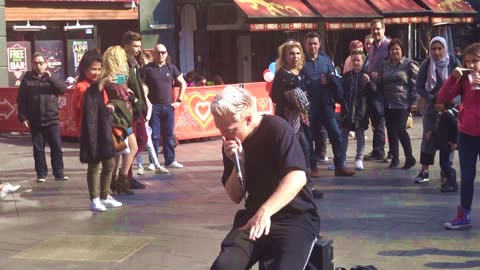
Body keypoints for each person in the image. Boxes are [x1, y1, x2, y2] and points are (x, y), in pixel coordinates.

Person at [209, 86, 320, 270]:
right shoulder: (230, 144)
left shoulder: (277, 128)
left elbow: (297, 176)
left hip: (294, 217)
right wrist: (239, 164)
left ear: (248, 119)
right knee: (224, 265)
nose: (224, 136)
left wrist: (266, 211)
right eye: (220, 130)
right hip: (253, 217)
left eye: (229, 130)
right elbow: (235, 196)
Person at [269, 40, 323, 198]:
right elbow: (275, 96)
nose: (295, 56)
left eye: (298, 53)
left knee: (306, 150)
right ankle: (297, 186)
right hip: (288, 121)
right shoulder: (282, 74)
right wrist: (290, 98)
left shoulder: (300, 73)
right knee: (297, 151)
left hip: (303, 120)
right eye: (291, 53)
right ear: (285, 56)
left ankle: (305, 186)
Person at [301, 31, 355, 176]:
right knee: (309, 139)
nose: (312, 46)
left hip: (326, 105)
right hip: (309, 108)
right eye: (310, 43)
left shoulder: (326, 60)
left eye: (315, 43)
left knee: (336, 135)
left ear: (319, 45)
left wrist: (330, 81)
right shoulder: (300, 62)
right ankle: (312, 168)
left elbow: (336, 79)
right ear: (305, 45)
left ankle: (340, 166)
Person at [76, 49, 123, 211]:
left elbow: (100, 104)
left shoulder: (98, 86)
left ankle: (105, 195)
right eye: (93, 69)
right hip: (90, 131)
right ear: (84, 70)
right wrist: (101, 84)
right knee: (94, 165)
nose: (96, 72)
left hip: (104, 128)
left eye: (98, 69)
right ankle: (94, 199)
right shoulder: (81, 86)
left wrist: (108, 107)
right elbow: (88, 106)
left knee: (109, 163)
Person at [440, 43, 480, 230]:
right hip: (466, 134)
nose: (472, 65)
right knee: (466, 176)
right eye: (468, 61)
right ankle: (464, 215)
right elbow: (442, 97)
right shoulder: (464, 80)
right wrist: (453, 78)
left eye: (476, 61)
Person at [414, 36, 460, 183]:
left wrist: (451, 99)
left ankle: (446, 170)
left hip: (450, 110)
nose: (437, 52)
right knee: (428, 139)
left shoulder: (453, 62)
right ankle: (424, 171)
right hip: (431, 110)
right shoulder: (426, 64)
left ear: (445, 48)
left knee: (449, 139)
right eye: (433, 49)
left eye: (440, 48)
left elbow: (461, 82)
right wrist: (433, 98)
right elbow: (419, 87)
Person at [17, 52, 68, 182]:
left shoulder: (51, 77)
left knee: (56, 147)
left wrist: (50, 78)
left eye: (40, 63)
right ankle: (41, 174)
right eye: (35, 63)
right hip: (35, 119)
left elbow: (63, 89)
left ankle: (59, 173)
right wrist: (23, 117)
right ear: (32, 64)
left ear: (45, 64)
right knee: (38, 149)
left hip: (52, 119)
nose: (38, 65)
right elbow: (21, 99)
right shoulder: (27, 78)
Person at [100, 46, 138, 195]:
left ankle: (117, 180)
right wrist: (128, 94)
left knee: (124, 149)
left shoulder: (109, 76)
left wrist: (126, 89)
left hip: (121, 118)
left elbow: (122, 88)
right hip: (119, 118)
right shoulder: (115, 77)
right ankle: (117, 181)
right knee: (123, 150)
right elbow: (121, 94)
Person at [376, 39, 418, 169]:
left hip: (402, 103)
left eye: (397, 49)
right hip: (388, 102)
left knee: (401, 129)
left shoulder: (409, 64)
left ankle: (409, 157)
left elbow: (415, 84)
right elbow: (381, 81)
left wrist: (413, 102)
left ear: (401, 50)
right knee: (391, 131)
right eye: (392, 49)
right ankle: (395, 157)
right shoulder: (385, 64)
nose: (394, 51)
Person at [142, 43, 186, 168]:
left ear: (166, 54)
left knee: (169, 135)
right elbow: (140, 85)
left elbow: (183, 83)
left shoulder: (171, 67)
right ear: (154, 54)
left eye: (163, 52)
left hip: (168, 106)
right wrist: (146, 101)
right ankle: (153, 162)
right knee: (154, 135)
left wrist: (179, 100)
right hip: (154, 107)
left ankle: (170, 160)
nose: (161, 55)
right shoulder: (147, 69)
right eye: (158, 52)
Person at [122, 31, 148, 190]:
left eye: (139, 46)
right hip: (129, 111)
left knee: (142, 140)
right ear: (126, 46)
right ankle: (126, 176)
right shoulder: (122, 62)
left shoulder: (134, 63)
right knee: (133, 145)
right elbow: (117, 81)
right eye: (135, 46)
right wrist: (132, 99)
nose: (139, 49)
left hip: (138, 111)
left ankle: (126, 172)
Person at [364, 19, 391, 162]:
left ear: (384, 29)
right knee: (375, 119)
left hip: (385, 88)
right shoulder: (373, 46)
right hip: (373, 87)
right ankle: (377, 150)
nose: (375, 31)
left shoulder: (388, 45)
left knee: (382, 120)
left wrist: (380, 74)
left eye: (378, 29)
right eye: (373, 29)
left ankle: (384, 151)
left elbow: (393, 64)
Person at [340, 50, 372, 170]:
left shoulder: (366, 74)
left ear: (363, 61)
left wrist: (369, 82)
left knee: (360, 133)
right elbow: (341, 92)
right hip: (348, 109)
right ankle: (342, 158)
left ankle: (359, 158)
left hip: (361, 110)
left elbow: (373, 92)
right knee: (343, 133)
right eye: (354, 60)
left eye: (358, 60)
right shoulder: (347, 76)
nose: (356, 63)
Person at [427, 96, 458, 192]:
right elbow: (438, 127)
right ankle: (450, 181)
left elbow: (457, 128)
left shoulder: (448, 116)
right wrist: (431, 132)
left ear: (446, 104)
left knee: (445, 164)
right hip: (442, 144)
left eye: (440, 103)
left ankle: (452, 183)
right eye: (436, 103)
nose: (437, 105)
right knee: (443, 163)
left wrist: (454, 142)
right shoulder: (441, 115)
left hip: (446, 144)